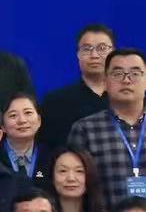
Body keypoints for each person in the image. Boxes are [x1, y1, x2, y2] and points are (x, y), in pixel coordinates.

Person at [66, 48, 146, 210]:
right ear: (105, 82)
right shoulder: (85, 129)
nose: (126, 80)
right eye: (118, 74)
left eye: (135, 73)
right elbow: (76, 190)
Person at [37, 24, 115, 153]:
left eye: (102, 48)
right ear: (78, 54)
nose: (94, 55)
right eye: (87, 49)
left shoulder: (126, 100)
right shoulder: (56, 101)